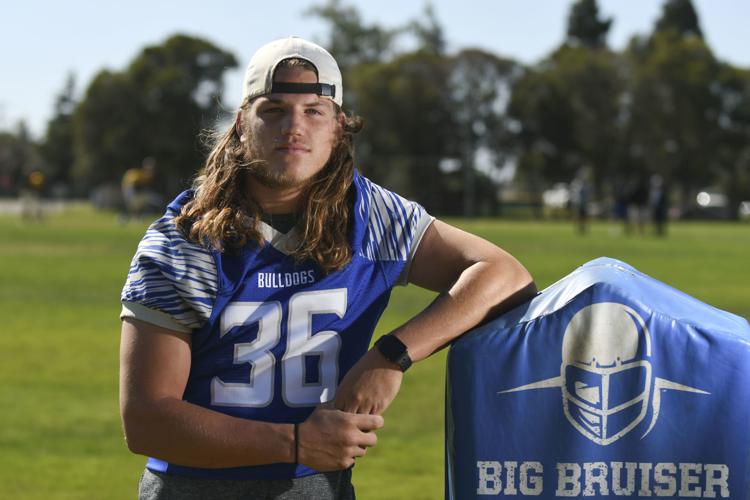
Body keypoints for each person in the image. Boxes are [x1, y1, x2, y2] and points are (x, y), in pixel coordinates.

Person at [119, 36, 536, 499]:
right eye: (273, 109)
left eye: (313, 110)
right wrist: (295, 443)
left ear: (339, 127)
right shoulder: (186, 238)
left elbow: (504, 274)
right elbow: (146, 421)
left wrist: (391, 356)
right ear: (240, 124)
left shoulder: (374, 217)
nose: (293, 127)